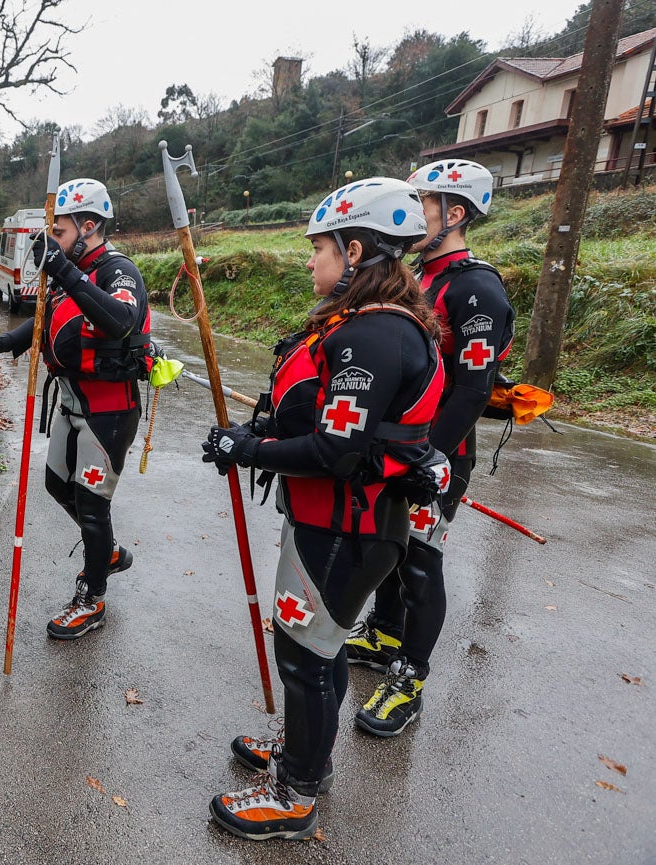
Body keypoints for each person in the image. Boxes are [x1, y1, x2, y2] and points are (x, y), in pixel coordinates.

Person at [200, 178, 447, 841]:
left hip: (346, 526)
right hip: (335, 521)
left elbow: (338, 451)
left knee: (304, 656)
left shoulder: (371, 336)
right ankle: (305, 751)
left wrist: (244, 447)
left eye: (319, 248)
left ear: (356, 249)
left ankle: (294, 793)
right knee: (319, 645)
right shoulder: (358, 325)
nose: (310, 260)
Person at [346, 159, 516, 735]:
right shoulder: (421, 276)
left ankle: (409, 678)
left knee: (421, 562)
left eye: (423, 202)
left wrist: (430, 459)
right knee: (390, 548)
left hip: (439, 452)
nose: (412, 212)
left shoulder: (475, 289)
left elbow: (473, 389)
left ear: (456, 213)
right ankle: (383, 634)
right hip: (401, 444)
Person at [0, 178, 152, 639]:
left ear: (89, 227)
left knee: (92, 507)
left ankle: (92, 595)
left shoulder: (117, 270)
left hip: (108, 410)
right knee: (55, 484)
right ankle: (104, 548)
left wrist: (65, 270)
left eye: (61, 232)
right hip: (71, 403)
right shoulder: (71, 267)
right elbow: (48, 316)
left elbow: (120, 319)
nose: (54, 242)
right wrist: (2, 342)